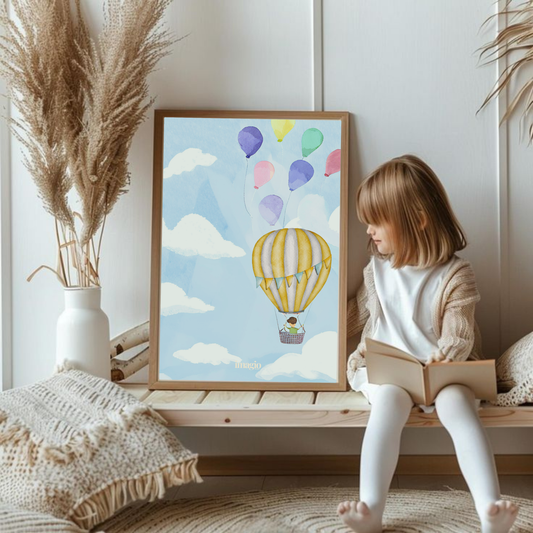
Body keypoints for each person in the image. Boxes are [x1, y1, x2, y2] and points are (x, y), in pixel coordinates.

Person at [337, 155, 519, 533]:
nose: (369, 231)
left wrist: (446, 353)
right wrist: (320, 330)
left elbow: (460, 330)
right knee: (388, 403)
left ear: (417, 220)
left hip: (444, 373)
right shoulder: (376, 272)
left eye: (377, 221)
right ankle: (371, 507)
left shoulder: (456, 275)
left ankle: (490, 508)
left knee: (458, 406)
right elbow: (355, 316)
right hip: (391, 371)